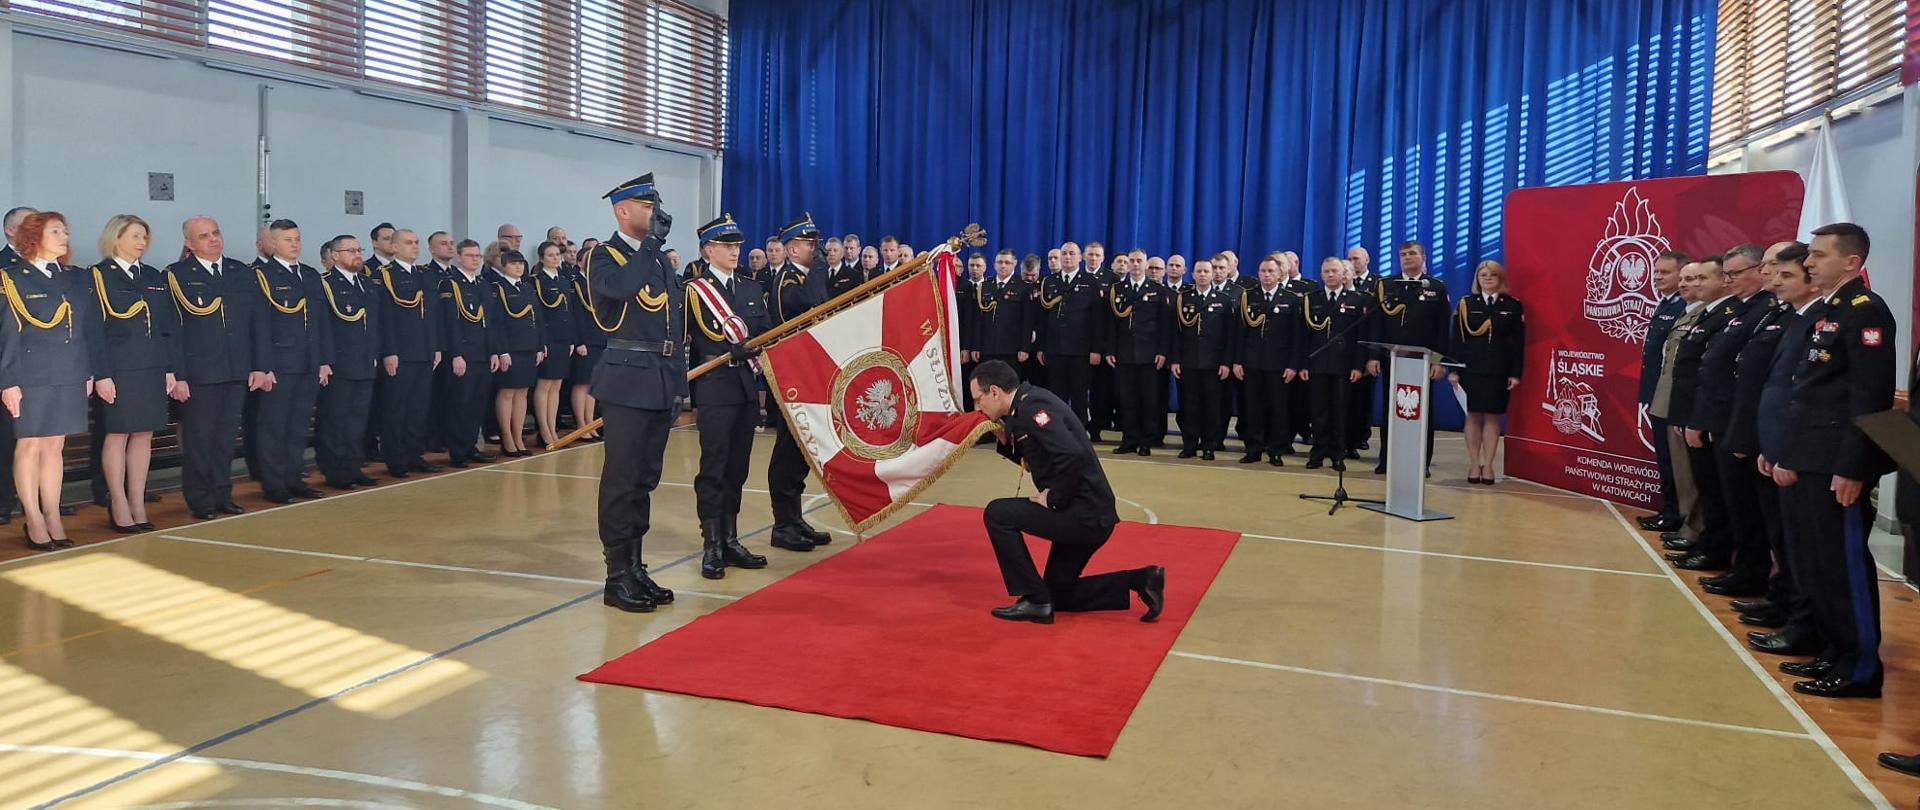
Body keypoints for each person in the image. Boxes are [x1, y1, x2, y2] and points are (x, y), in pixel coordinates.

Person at [1771, 222, 1894, 699]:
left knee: (1844, 565)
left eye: (1819, 255)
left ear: (1851, 262)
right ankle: (1834, 648)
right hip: (1810, 455)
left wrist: (1853, 466)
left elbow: (1869, 396)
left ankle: (1860, 666)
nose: (1809, 263)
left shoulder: (1866, 310)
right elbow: (1806, 393)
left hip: (1836, 462)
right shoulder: (1829, 311)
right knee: (1818, 562)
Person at [969, 360, 1165, 624]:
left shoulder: (1032, 409)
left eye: (978, 399)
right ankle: (1141, 580)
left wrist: (1053, 498)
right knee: (1058, 592)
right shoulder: (1024, 406)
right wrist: (1003, 438)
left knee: (997, 514)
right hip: (1090, 510)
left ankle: (1035, 601)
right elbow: (1038, 456)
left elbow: (1072, 456)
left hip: (1083, 512)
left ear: (994, 391)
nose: (977, 408)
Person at [585, 173, 686, 612]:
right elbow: (622, 289)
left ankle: (636, 566)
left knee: (645, 479)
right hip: (626, 380)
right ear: (622, 211)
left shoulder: (658, 259)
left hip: (661, 377)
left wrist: (679, 383)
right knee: (622, 479)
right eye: (647, 206)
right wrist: (651, 246)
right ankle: (616, 577)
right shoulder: (603, 257)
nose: (655, 213)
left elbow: (673, 324)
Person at [1720, 243, 1809, 638]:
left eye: (1782, 269)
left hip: (1795, 446)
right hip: (1766, 436)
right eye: (1772, 266)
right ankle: (1782, 598)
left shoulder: (1810, 316)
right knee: (1776, 528)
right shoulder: (1778, 313)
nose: (1772, 273)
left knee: (1794, 537)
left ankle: (1796, 611)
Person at [1, 212, 99, 550]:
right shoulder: (12, 278)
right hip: (30, 375)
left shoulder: (75, 278)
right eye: (56, 231)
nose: (64, 237)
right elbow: (7, 335)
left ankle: (53, 513)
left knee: (55, 446)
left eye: (65, 231)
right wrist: (7, 381)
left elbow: (85, 331)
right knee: (29, 445)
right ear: (34, 236)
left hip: (68, 371)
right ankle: (34, 518)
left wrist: (87, 371)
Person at [1687, 243, 1776, 595]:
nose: (1729, 280)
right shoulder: (1744, 310)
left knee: (1747, 506)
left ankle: (1752, 572)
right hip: (1724, 419)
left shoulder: (1767, 310)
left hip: (1741, 422)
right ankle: (1743, 567)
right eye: (1726, 274)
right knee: (1733, 500)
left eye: (1735, 273)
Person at [685, 214, 771, 579]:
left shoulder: (750, 288)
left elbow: (766, 330)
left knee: (738, 467)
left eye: (737, 246)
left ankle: (731, 539)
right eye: (727, 246)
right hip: (715, 387)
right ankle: (712, 544)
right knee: (714, 466)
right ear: (709, 250)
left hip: (745, 387)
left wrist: (754, 346)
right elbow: (683, 340)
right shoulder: (693, 290)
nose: (735, 252)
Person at [170, 216, 271, 520]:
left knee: (226, 438)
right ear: (189, 243)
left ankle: (222, 493)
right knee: (200, 439)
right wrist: (179, 375)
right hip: (200, 370)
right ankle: (200, 499)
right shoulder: (177, 275)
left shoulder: (240, 272)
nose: (213, 239)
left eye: (216, 233)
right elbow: (174, 330)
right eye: (204, 236)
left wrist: (260, 365)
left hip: (236, 368)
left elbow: (258, 322)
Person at [86, 215, 179, 531]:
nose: (142, 242)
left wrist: (169, 368)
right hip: (119, 368)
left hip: (151, 366)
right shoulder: (99, 276)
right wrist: (101, 374)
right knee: (117, 434)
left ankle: (138, 501)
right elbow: (94, 331)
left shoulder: (153, 276)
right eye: (135, 236)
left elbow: (166, 328)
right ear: (116, 238)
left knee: (144, 435)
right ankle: (118, 503)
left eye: (144, 237)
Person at [1664, 255, 1739, 572]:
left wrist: (1696, 416)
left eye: (1701, 278)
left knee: (1717, 491)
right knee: (1708, 487)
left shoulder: (1730, 315)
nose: (1693, 284)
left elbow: (1712, 373)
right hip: (1695, 412)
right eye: (1690, 279)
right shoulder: (1709, 314)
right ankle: (1709, 544)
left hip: (1714, 416)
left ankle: (1717, 549)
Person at [765, 213, 833, 551]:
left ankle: (794, 518)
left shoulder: (803, 277)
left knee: (802, 449)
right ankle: (782, 524)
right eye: (810, 244)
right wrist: (819, 269)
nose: (816, 250)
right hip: (790, 376)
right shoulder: (787, 281)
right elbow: (810, 304)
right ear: (792, 250)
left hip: (808, 374)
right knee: (788, 450)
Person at [252, 219, 332, 504]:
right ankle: (274, 484)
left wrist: (324, 360)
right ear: (273, 244)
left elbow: (321, 323)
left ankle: (294, 478)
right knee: (274, 426)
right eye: (287, 239)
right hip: (279, 363)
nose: (295, 244)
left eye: (297, 238)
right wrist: (264, 365)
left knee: (298, 426)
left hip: (308, 362)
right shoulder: (262, 276)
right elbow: (260, 325)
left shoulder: (310, 275)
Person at [1366, 241, 1449, 475]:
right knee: (1391, 409)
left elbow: (1442, 328)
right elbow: (1376, 323)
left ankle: (1421, 462)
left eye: (1412, 253)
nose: (1407, 257)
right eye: (1403, 254)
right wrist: (1373, 356)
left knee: (1423, 411)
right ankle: (1387, 459)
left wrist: (1438, 360)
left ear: (1424, 257)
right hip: (1392, 358)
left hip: (1422, 361)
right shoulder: (1387, 285)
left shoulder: (1436, 287)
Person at [371, 229, 442, 477]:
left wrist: (435, 347)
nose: (415, 247)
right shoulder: (385, 276)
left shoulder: (424, 275)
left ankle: (414, 454)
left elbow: (432, 316)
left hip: (424, 350)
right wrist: (389, 351)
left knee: (418, 408)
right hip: (400, 352)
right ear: (394, 247)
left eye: (416, 242)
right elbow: (385, 318)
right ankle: (396, 459)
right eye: (409, 242)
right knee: (396, 408)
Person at [1448, 261, 1525, 484]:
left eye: (1493, 275)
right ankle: (1474, 464)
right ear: (1477, 279)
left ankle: (1489, 465)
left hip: (1499, 370)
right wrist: (1454, 370)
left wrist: (1515, 373)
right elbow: (1457, 341)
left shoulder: (1512, 305)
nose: (1488, 278)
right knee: (1472, 416)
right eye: (1483, 275)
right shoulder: (1466, 304)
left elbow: (1518, 344)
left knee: (1492, 417)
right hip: (1470, 369)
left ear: (1500, 279)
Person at [315, 235, 381, 491]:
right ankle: (335, 470)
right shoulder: (325, 284)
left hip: (364, 360)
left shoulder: (366, 283)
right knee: (335, 419)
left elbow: (373, 324)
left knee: (357, 419)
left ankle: (353, 466)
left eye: (358, 249)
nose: (357, 254)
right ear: (334, 255)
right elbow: (322, 327)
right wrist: (325, 360)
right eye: (350, 250)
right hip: (340, 361)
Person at [1637, 251, 1693, 533]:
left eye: (1665, 272)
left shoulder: (1685, 307)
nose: (1657, 277)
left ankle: (1677, 515)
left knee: (1675, 461)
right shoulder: (1666, 303)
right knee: (1664, 457)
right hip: (1656, 392)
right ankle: (1669, 510)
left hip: (1671, 395)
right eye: (1656, 271)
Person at [1303, 258, 1372, 470]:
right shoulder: (1311, 299)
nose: (1330, 275)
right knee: (1318, 412)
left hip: (1344, 366)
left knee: (1340, 413)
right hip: (1317, 364)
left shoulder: (1357, 300)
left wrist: (1358, 366)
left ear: (1344, 275)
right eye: (1326, 271)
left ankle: (1338, 454)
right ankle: (1317, 453)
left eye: (1334, 271)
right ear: (1321, 274)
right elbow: (1303, 336)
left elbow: (1361, 337)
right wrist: (1303, 364)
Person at [1234, 256, 1303, 466]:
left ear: (1280, 273)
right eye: (1263, 271)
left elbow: (1296, 337)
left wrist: (1293, 365)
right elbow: (1240, 333)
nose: (1266, 275)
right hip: (1252, 362)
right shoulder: (1248, 297)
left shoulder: (1291, 299)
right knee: (1252, 408)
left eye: (1271, 271)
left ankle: (1275, 451)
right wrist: (1237, 361)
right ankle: (1253, 449)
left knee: (1278, 409)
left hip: (1279, 364)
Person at [439, 240, 502, 468]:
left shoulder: (482, 284)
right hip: (464, 354)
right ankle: (458, 452)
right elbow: (450, 323)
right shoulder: (450, 284)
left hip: (483, 353)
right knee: (461, 404)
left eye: (478, 256)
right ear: (459, 257)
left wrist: (493, 352)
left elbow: (490, 323)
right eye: (470, 255)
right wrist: (456, 354)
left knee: (477, 404)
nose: (475, 259)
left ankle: (470, 446)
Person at [1104, 250, 1171, 456]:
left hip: (1149, 354)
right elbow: (1111, 324)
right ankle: (1129, 440)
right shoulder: (1117, 290)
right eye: (1131, 261)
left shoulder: (1158, 290)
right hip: (1124, 353)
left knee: (1149, 400)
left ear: (1145, 264)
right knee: (1128, 400)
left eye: (1138, 261)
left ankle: (1146, 441)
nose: (1134, 264)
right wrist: (1110, 349)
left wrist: (1162, 351)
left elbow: (1164, 325)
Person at [1037, 241, 1104, 436]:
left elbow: (1097, 319)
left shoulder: (1090, 282)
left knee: (1079, 393)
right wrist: (1041, 346)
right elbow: (1042, 318)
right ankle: (1058, 430)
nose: (1067, 257)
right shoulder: (1049, 282)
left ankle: (1080, 430)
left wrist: (1096, 349)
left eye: (1071, 253)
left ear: (1080, 257)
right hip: (1055, 348)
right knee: (1056, 393)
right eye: (1064, 253)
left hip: (1081, 349)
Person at [1173, 258, 1233, 460]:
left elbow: (1229, 336)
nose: (1203, 274)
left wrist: (1226, 363)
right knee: (1189, 406)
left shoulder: (1223, 300)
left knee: (1211, 407)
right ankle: (1189, 445)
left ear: (1212, 274)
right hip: (1188, 362)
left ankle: (1209, 445)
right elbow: (1176, 333)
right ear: (1193, 274)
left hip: (1213, 364)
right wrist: (1175, 360)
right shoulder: (1183, 299)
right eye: (1199, 271)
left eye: (1207, 271)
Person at [489, 250, 542, 457]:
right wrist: (502, 351)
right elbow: (497, 323)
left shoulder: (527, 287)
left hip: (529, 346)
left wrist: (540, 345)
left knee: (522, 392)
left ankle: (518, 436)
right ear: (504, 266)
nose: (518, 267)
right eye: (513, 263)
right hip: (511, 348)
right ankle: (507, 437)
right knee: (507, 392)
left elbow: (537, 318)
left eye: (521, 263)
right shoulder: (499, 288)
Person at [533, 240, 582, 448]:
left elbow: (568, 312)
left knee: (557, 386)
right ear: (542, 258)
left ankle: (552, 428)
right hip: (548, 339)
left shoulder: (563, 280)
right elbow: (538, 315)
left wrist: (571, 339)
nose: (555, 258)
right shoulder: (537, 281)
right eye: (551, 255)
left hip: (563, 339)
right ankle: (544, 429)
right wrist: (541, 342)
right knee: (544, 384)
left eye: (557, 255)